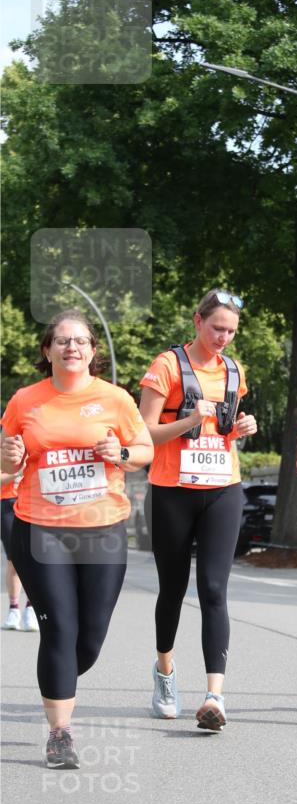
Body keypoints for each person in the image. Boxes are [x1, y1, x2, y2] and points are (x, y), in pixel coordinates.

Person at [0, 310, 153, 768]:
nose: (72, 348)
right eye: (62, 341)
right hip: (41, 528)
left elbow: (144, 452)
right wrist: (11, 455)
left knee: (89, 639)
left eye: (81, 341)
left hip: (103, 530)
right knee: (59, 629)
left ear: (92, 350)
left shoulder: (115, 399)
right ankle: (60, 733)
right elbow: (7, 464)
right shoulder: (26, 400)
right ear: (47, 351)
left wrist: (121, 452)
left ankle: (61, 676)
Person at [139, 288, 257, 731]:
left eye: (230, 331)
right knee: (173, 589)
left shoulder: (233, 370)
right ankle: (165, 672)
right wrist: (190, 419)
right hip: (172, 489)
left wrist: (244, 426)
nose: (223, 337)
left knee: (213, 589)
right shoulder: (167, 366)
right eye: (216, 328)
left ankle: (214, 696)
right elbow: (144, 435)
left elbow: (227, 427)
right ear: (197, 321)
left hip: (223, 487)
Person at [1, 468, 38, 631]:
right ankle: (14, 610)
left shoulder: (38, 444)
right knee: (14, 559)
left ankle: (31, 609)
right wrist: (16, 474)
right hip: (8, 502)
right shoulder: (4, 444)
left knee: (36, 559)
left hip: (35, 502)